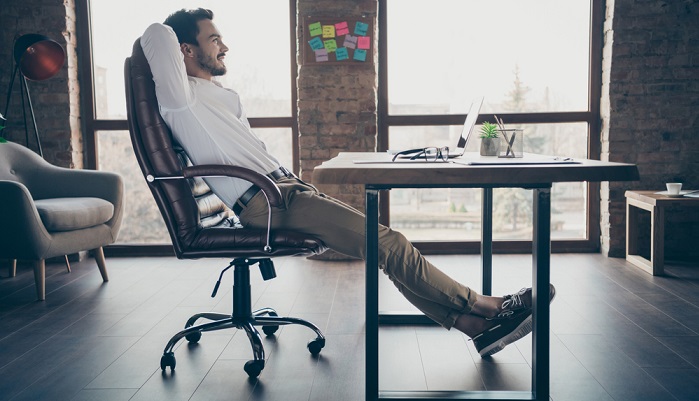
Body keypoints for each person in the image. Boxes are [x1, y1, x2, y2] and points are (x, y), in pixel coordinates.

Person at [140, 8, 555, 357]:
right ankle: (490, 305)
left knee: (384, 250)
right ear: (185, 50)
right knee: (390, 244)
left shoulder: (221, 97)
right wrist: (177, 37)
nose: (224, 46)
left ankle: (475, 329)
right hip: (267, 203)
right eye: (213, 39)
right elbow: (156, 35)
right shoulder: (181, 99)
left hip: (287, 190)